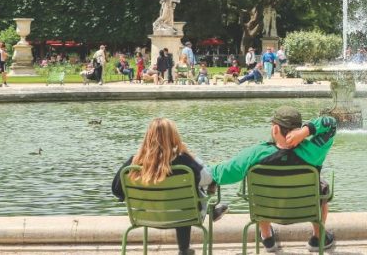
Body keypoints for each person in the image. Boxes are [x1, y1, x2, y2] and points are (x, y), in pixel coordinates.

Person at [211, 107, 337, 252]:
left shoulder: (255, 154)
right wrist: (306, 131)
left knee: (259, 191)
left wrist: (197, 167)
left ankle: (267, 237)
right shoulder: (314, 151)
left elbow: (223, 173)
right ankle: (318, 236)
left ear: (275, 129)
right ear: (298, 128)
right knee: (322, 187)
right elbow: (331, 124)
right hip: (304, 209)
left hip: (269, 208)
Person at [111, 118, 227, 255]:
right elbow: (207, 178)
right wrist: (189, 155)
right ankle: (184, 248)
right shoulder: (184, 161)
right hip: (184, 215)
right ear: (174, 137)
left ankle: (185, 247)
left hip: (145, 215)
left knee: (182, 200)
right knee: (185, 200)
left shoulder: (133, 163)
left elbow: (116, 189)